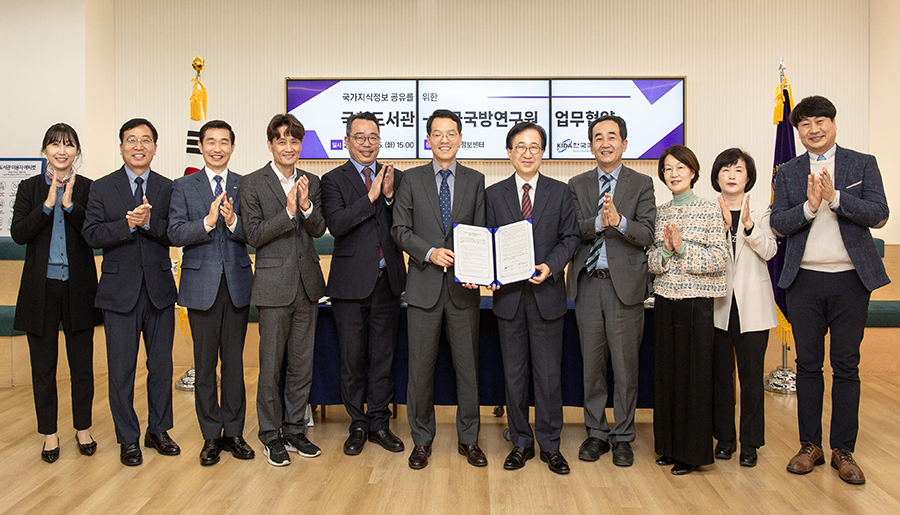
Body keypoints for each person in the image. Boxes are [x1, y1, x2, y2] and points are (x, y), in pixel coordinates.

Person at [770, 96, 889, 485]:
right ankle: (810, 446)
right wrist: (808, 206)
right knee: (807, 366)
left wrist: (836, 199)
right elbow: (778, 224)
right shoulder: (787, 171)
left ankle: (843, 450)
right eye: (805, 124)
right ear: (798, 131)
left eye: (820, 121)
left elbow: (879, 214)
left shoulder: (862, 163)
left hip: (850, 280)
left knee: (846, 366)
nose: (814, 129)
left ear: (833, 124)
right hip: (803, 280)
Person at [392, 109, 487, 470]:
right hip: (423, 288)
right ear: (427, 140)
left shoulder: (475, 180)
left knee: (468, 369)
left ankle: (469, 440)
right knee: (420, 369)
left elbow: (481, 231)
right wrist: (430, 252)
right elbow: (399, 229)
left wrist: (480, 266)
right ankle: (421, 439)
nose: (444, 139)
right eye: (437, 133)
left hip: (464, 290)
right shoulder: (411, 180)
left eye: (451, 133)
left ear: (460, 139)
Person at [82, 118, 179, 466]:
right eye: (131, 140)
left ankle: (159, 429)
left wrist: (150, 224)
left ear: (155, 147)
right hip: (119, 293)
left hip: (159, 292)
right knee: (121, 369)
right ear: (121, 147)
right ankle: (128, 438)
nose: (139, 146)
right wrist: (127, 224)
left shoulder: (168, 188)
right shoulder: (102, 188)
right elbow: (91, 234)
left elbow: (174, 233)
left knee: (161, 367)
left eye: (146, 140)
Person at [486, 122, 579, 474]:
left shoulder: (560, 191)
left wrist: (550, 266)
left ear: (543, 153)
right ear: (509, 153)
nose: (527, 153)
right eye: (520, 147)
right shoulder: (493, 194)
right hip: (508, 298)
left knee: (548, 376)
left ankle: (551, 445)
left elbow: (569, 238)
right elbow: (485, 240)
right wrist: (489, 274)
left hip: (547, 295)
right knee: (514, 375)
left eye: (534, 147)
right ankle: (521, 442)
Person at [566, 115, 656, 467]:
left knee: (626, 366)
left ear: (624, 144)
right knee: (592, 367)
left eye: (612, 137)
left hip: (626, 289)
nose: (605, 142)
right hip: (589, 285)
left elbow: (648, 233)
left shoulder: (642, 183)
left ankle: (623, 436)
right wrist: (597, 223)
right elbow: (572, 229)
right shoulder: (577, 184)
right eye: (598, 137)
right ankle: (596, 434)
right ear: (591, 146)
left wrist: (619, 221)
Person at [11, 123, 102, 463]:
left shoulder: (90, 189)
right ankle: (49, 433)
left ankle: (83, 428)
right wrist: (48, 204)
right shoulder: (29, 188)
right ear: (45, 150)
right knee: (43, 366)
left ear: (77, 151)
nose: (61, 151)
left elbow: (94, 235)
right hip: (40, 290)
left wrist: (70, 205)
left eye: (68, 145)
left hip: (78, 288)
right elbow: (19, 233)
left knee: (82, 366)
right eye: (55, 144)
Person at [240, 114, 326, 467]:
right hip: (273, 288)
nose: (288, 147)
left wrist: (305, 206)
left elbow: (319, 229)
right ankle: (270, 435)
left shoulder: (312, 181)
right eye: (281, 141)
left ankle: (294, 430)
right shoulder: (252, 183)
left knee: (301, 366)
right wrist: (289, 211)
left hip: (307, 287)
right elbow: (254, 235)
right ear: (270, 144)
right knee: (271, 366)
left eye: (294, 141)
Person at [167, 120, 255, 466]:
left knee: (233, 364)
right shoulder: (183, 186)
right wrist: (206, 222)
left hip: (236, 284)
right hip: (200, 286)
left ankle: (234, 432)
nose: (217, 148)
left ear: (233, 147)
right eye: (211, 142)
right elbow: (174, 231)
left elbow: (255, 232)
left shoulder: (244, 184)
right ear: (201, 146)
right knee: (204, 366)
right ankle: (209, 436)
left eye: (224, 142)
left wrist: (233, 221)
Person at [321, 112, 406, 456]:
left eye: (373, 137)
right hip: (349, 287)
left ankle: (379, 422)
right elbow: (337, 224)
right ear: (347, 141)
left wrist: (388, 198)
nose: (367, 143)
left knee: (384, 358)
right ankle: (357, 423)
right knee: (352, 359)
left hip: (388, 283)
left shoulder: (395, 177)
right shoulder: (332, 180)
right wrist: (371, 198)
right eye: (360, 137)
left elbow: (405, 222)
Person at [647, 144, 727, 475]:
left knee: (694, 380)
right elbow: (651, 261)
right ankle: (667, 446)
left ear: (693, 172)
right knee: (667, 377)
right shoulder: (660, 212)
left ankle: (692, 453)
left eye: (680, 167)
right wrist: (665, 253)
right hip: (665, 301)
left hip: (697, 304)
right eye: (668, 169)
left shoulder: (709, 210)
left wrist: (682, 249)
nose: (674, 174)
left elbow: (720, 259)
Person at [710, 148, 778, 468]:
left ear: (748, 176)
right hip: (720, 305)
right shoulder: (709, 211)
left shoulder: (762, 211)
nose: (732, 175)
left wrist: (747, 226)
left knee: (751, 378)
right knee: (721, 376)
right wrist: (724, 228)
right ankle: (724, 439)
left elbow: (769, 250)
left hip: (753, 305)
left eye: (738, 169)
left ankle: (750, 443)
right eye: (726, 169)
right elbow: (710, 256)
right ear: (717, 177)